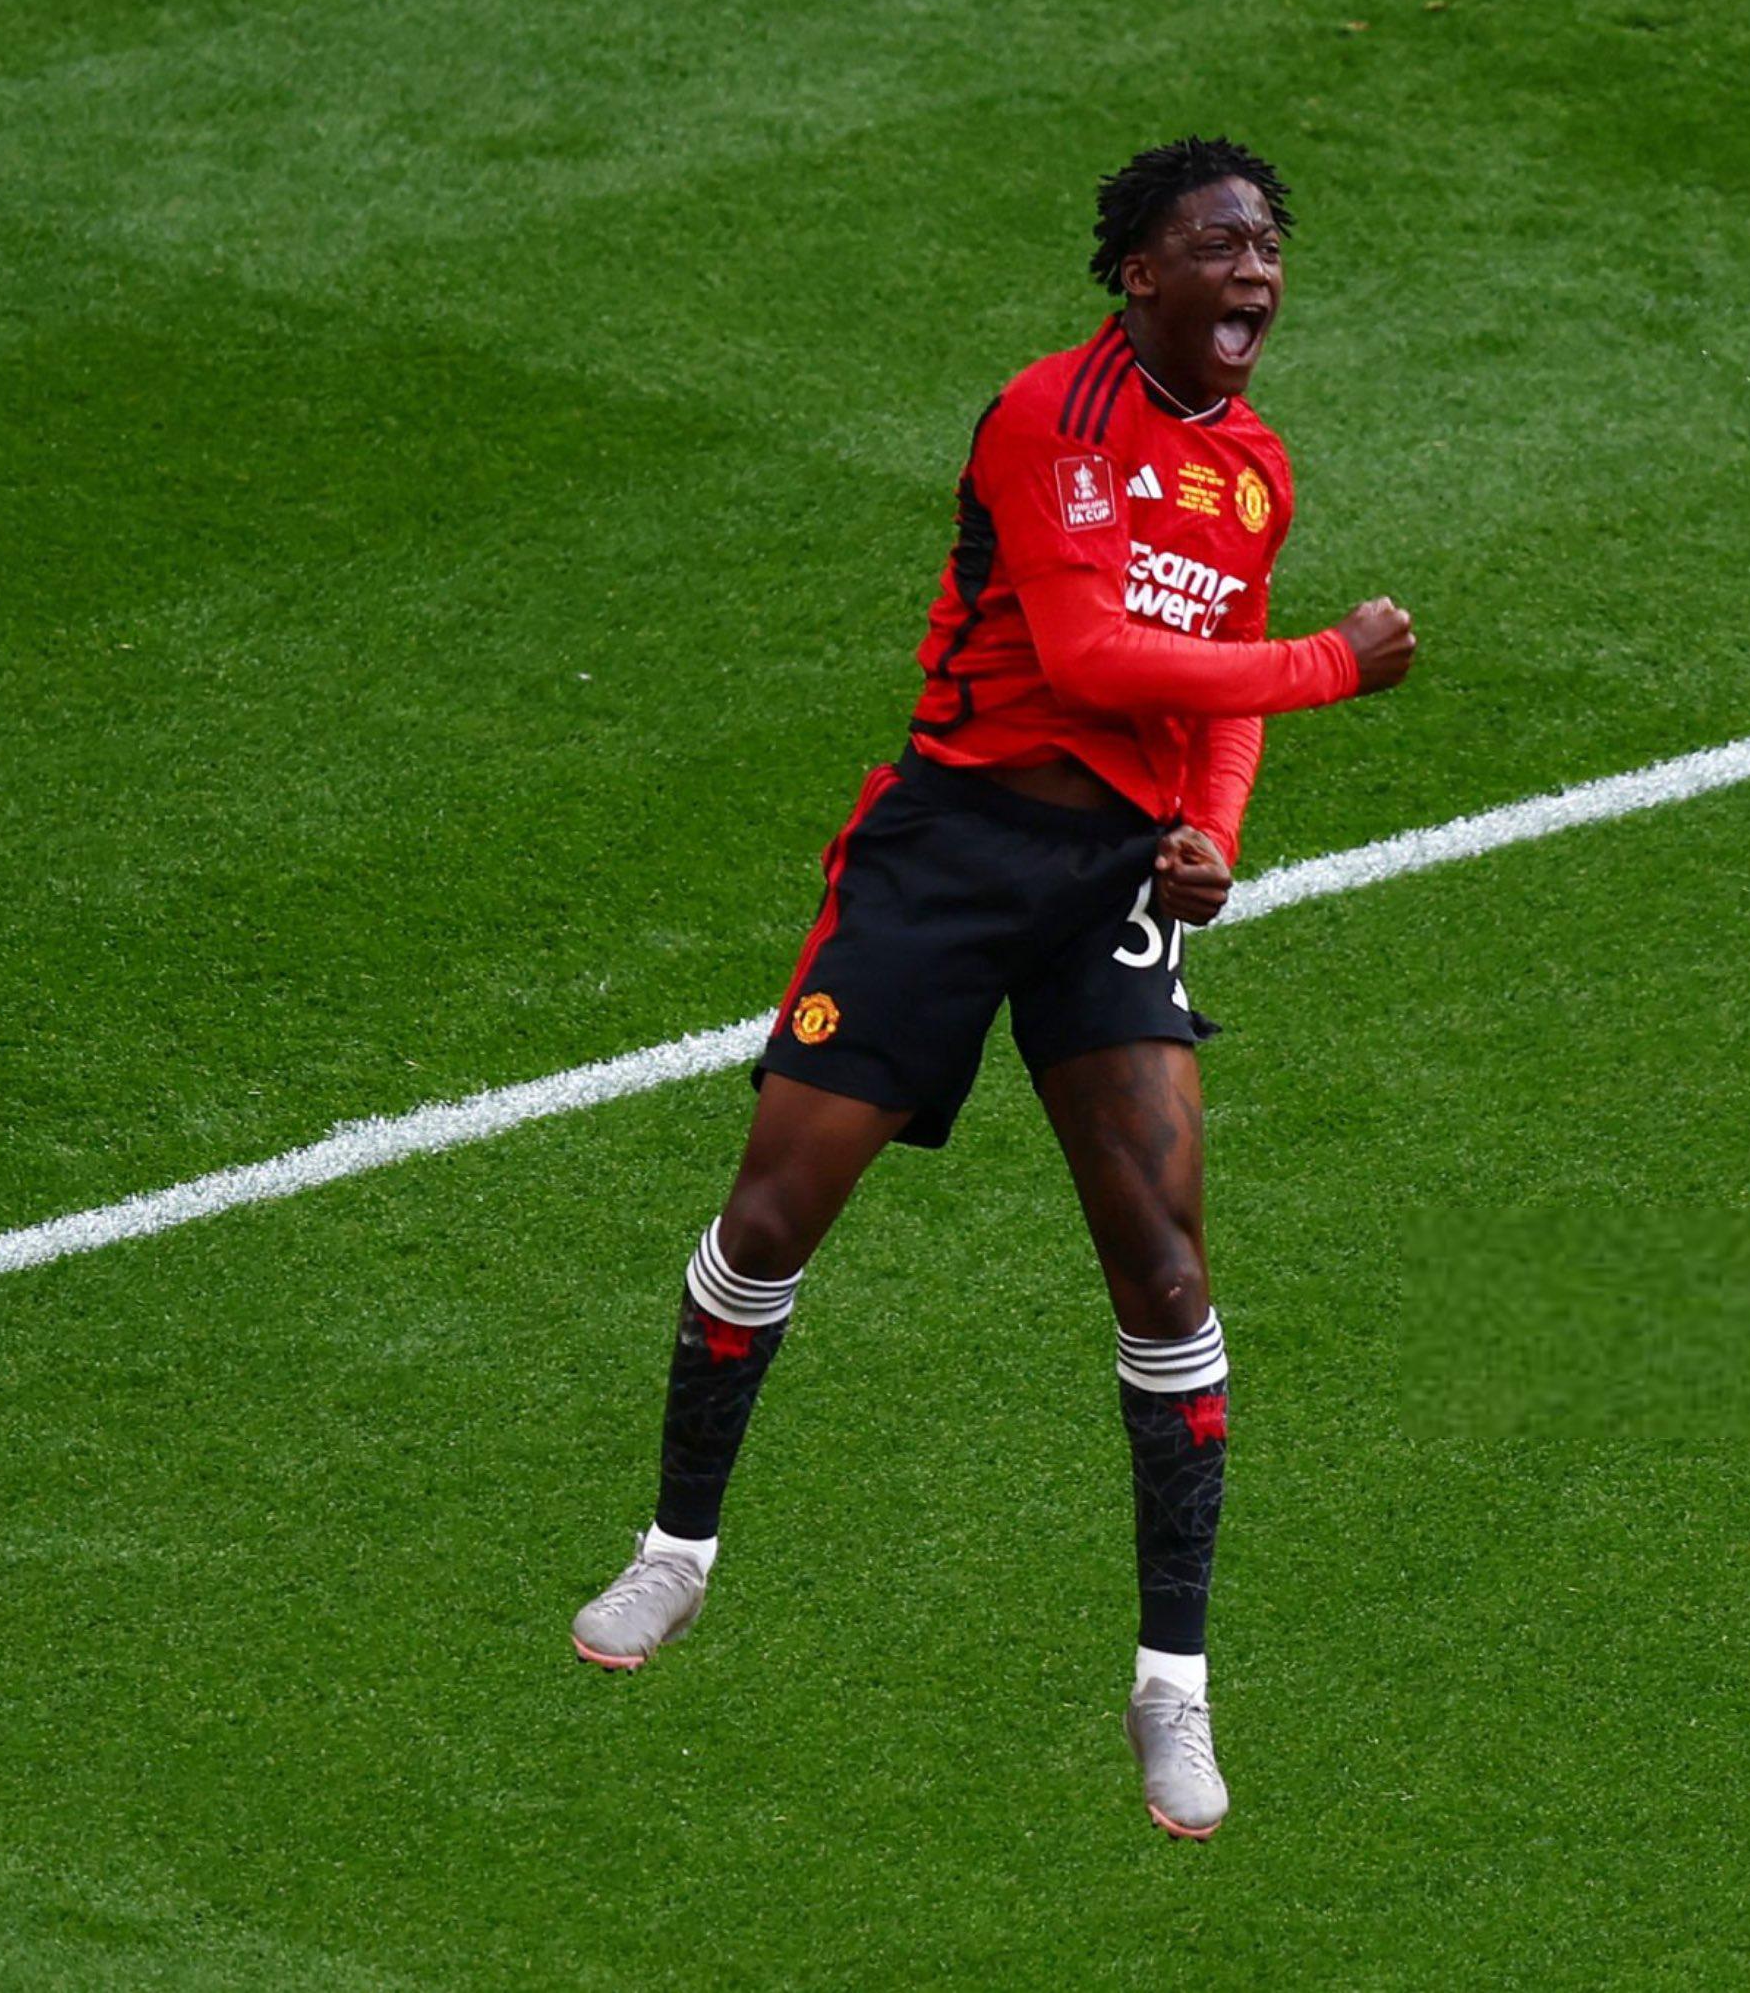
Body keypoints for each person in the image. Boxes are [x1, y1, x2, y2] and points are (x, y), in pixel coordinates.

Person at [571, 136, 1418, 1841]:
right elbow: (1097, 657)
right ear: (1141, 274)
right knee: (775, 1209)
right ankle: (677, 1549)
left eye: (1269, 243)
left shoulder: (1253, 472)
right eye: (1219, 241)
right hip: (949, 855)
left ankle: (1171, 1687)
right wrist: (1336, 662)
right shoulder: (1055, 417)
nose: (1256, 268)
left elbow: (1211, 690)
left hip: (1112, 882)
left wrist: (1213, 835)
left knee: (1166, 1269)